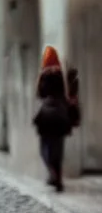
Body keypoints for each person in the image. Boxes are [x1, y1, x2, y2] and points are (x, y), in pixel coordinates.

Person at [33, 46, 72, 192]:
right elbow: (64, 94)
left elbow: (39, 94)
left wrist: (40, 77)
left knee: (45, 148)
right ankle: (58, 179)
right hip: (60, 116)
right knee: (58, 149)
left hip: (47, 117)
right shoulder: (60, 74)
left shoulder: (44, 75)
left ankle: (52, 173)